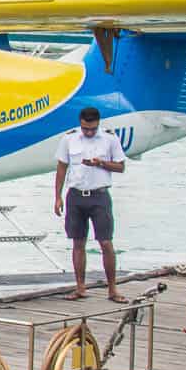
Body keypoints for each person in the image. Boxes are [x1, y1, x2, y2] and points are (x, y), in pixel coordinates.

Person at [54, 106, 127, 302]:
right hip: (76, 195)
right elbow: (61, 167)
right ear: (80, 123)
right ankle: (80, 287)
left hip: (99, 195)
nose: (88, 132)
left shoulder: (109, 139)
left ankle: (112, 289)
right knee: (78, 242)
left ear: (98, 124)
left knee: (105, 242)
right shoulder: (69, 139)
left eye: (92, 129)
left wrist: (101, 163)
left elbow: (121, 166)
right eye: (85, 129)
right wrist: (58, 196)